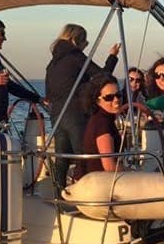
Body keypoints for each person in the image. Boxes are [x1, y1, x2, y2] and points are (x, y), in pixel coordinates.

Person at [44, 23, 120, 185]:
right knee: (84, 155)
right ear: (75, 40)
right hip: (75, 113)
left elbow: (48, 93)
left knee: (61, 158)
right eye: (85, 41)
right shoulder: (75, 57)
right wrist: (112, 57)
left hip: (57, 114)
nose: (86, 45)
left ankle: (59, 192)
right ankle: (85, 189)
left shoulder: (52, 64)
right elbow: (102, 76)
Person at [81, 75, 122, 174]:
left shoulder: (98, 118)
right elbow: (109, 166)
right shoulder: (103, 124)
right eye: (109, 97)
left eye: (118, 95)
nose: (116, 99)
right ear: (97, 100)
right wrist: (135, 172)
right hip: (99, 180)